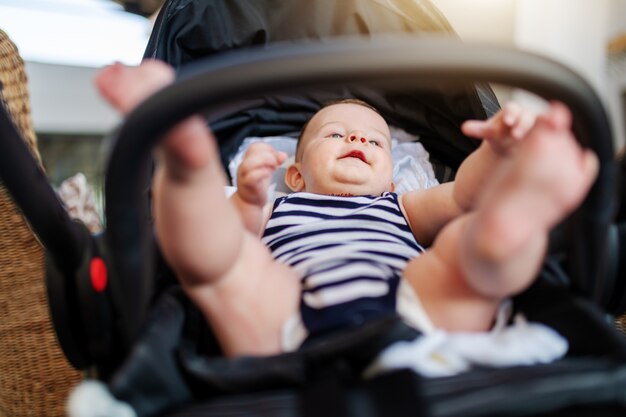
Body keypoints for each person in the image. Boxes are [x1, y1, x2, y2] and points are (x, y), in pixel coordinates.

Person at [95, 59, 598, 359]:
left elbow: (464, 195)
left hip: (412, 303)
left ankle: (512, 221)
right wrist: (246, 199)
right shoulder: (276, 203)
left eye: (374, 141)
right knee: (219, 265)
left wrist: (494, 154)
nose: (356, 138)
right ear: (295, 175)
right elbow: (235, 236)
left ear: (394, 173)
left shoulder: (400, 202)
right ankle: (187, 163)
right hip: (287, 314)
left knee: (465, 258)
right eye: (335, 135)